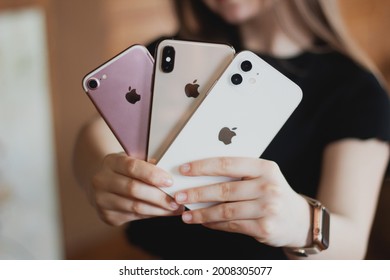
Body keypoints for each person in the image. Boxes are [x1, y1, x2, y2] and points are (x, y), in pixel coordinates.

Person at [73, 0, 390, 259]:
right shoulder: (178, 53)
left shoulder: (356, 90)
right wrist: (97, 177)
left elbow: (352, 247)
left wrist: (298, 222)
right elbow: (93, 134)